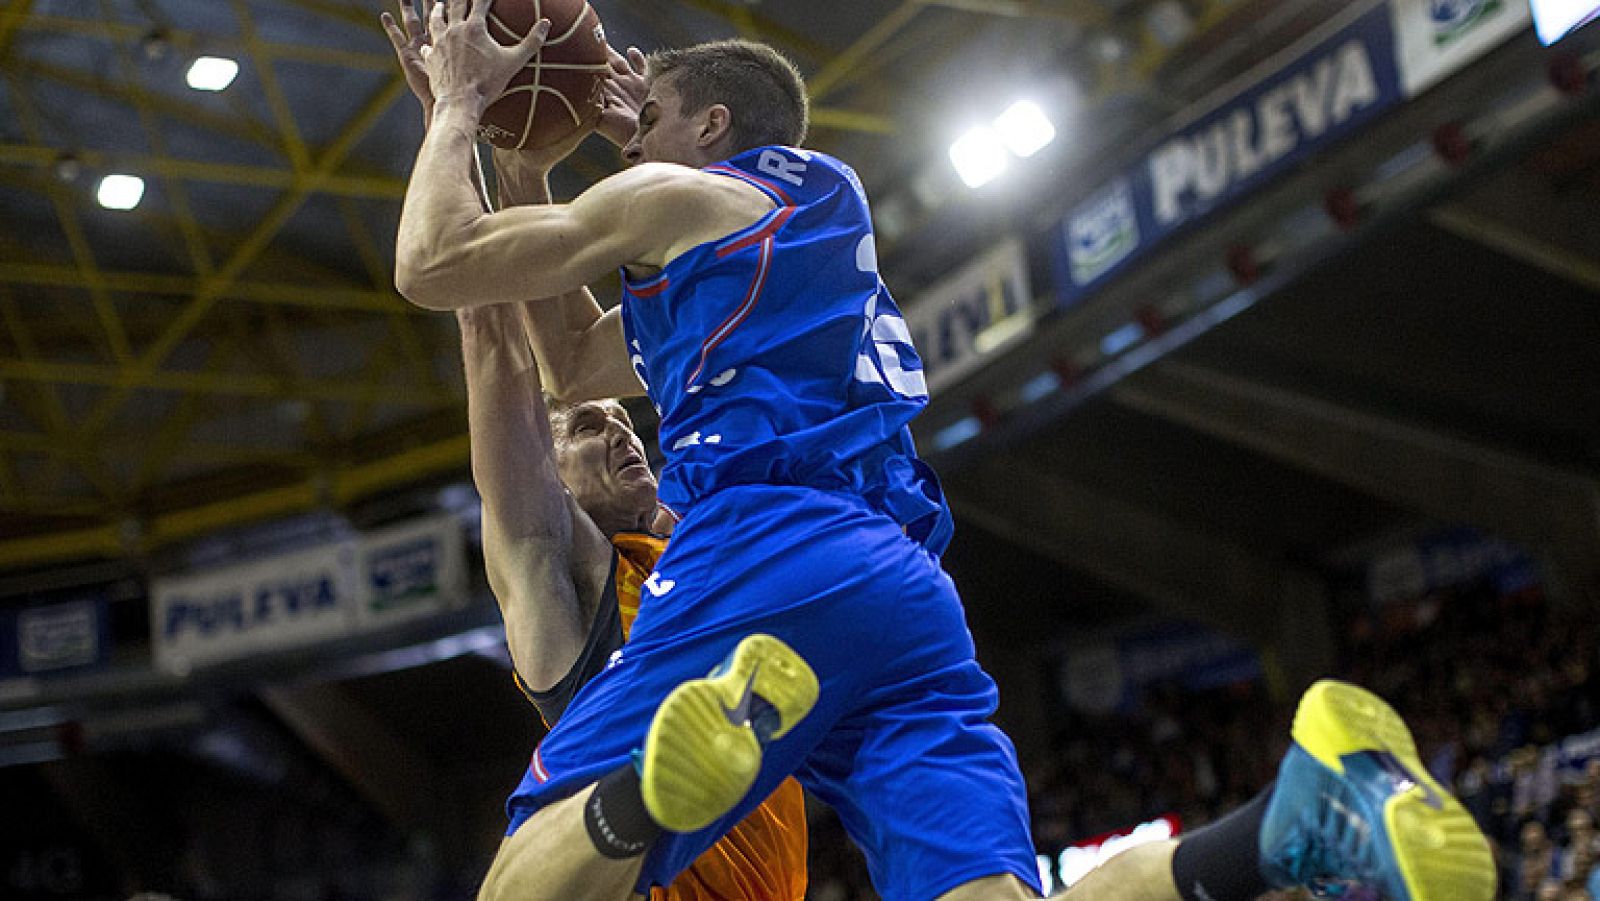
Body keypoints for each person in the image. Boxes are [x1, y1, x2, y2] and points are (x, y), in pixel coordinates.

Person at [391, 3, 1496, 899]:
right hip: (901, 583)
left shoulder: (680, 191)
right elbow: (576, 362)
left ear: (713, 124)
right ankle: (1287, 824)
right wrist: (532, 166)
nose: (620, 139)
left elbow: (434, 264)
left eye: (640, 126)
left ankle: (647, 800)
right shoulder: (804, 223)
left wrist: (456, 106)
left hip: (766, 545)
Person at [382, 5, 807, 899]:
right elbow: (494, 332)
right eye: (581, 430)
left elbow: (576, 361)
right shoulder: (557, 563)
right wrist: (453, 114)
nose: (616, 425)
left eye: (620, 420)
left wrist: (523, 161)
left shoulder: (707, 544)